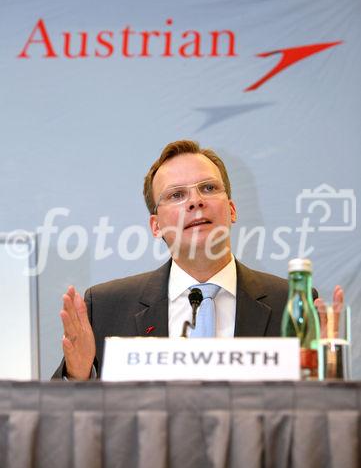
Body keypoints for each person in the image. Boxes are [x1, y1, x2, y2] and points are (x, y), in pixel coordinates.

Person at [52, 140, 343, 379]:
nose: (195, 201)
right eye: (177, 195)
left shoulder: (289, 304)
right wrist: (79, 375)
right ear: (156, 226)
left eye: (208, 188)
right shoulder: (106, 308)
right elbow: (66, 427)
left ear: (231, 210)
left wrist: (328, 370)